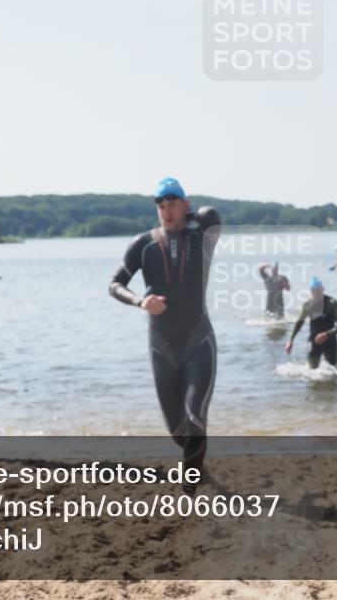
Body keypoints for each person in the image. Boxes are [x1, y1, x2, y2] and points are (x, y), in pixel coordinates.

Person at [108, 177, 221, 487]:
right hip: (162, 347)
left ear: (185, 205)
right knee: (177, 431)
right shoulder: (142, 245)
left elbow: (210, 213)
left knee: (196, 415)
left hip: (200, 341)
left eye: (173, 204)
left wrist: (187, 215)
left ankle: (191, 489)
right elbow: (114, 284)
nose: (167, 211)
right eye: (161, 205)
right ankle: (197, 464)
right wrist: (140, 300)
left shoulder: (203, 237)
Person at [285, 277, 337, 369]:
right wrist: (291, 340)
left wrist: (326, 334)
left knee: (334, 372)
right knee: (311, 371)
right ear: (311, 291)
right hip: (314, 341)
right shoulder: (308, 305)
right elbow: (299, 322)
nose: (316, 293)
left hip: (330, 341)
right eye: (314, 291)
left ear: (322, 289)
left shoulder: (332, 303)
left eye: (318, 290)